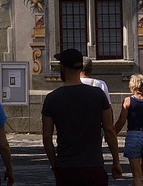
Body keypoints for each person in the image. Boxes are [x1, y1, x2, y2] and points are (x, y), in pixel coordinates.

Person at [41, 48, 122, 185]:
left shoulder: (52, 99)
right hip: (93, 165)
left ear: (62, 67)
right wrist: (116, 161)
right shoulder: (98, 95)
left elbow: (46, 138)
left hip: (66, 167)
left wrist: (55, 164)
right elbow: (109, 129)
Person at [111, 74, 143, 186]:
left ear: (132, 86)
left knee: (136, 174)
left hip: (133, 136)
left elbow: (122, 120)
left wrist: (113, 133)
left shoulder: (128, 101)